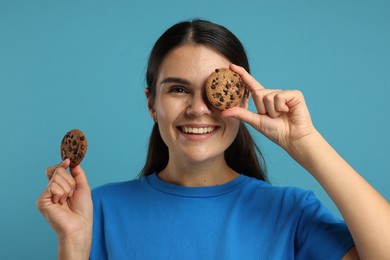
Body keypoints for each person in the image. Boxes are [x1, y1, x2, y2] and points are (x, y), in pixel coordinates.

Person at [36, 19, 390, 259]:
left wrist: (306, 142)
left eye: (214, 91)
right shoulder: (97, 211)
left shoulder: (289, 213)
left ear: (241, 98)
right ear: (151, 103)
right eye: (177, 89)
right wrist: (72, 243)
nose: (198, 108)